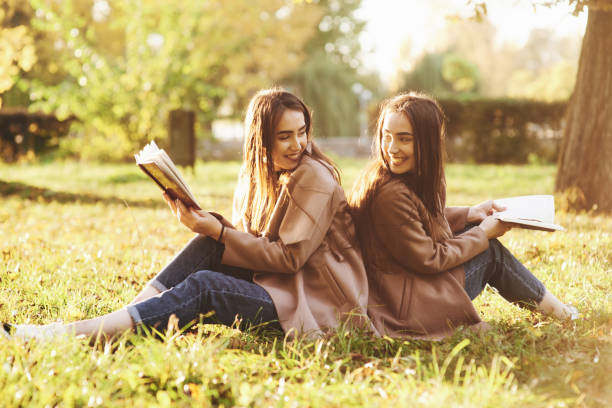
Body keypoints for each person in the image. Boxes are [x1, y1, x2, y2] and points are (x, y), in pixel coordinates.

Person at [2, 88, 372, 341]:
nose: (298, 145)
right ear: (262, 142)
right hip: (280, 286)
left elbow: (288, 258)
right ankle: (117, 324)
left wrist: (221, 232)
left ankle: (72, 333)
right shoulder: (265, 173)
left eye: (302, 132)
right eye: (285, 136)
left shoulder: (314, 178)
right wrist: (209, 228)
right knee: (206, 244)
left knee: (206, 286)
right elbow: (256, 240)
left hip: (316, 306)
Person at [348, 92, 578, 340]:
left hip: (405, 291)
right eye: (387, 136)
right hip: (408, 307)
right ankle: (559, 312)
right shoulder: (390, 193)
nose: (392, 148)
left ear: (428, 142)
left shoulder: (395, 179)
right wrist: (482, 233)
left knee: (477, 240)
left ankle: (553, 306)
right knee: (490, 253)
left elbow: (411, 222)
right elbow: (429, 259)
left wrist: (471, 213)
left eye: (404, 139)